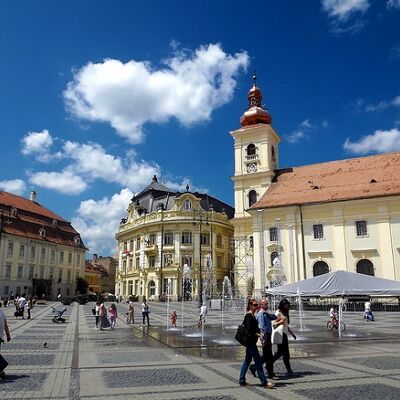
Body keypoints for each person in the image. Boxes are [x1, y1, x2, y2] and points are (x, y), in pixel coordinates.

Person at [239, 299, 275, 389]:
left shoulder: (252, 315)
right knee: (258, 362)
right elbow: (248, 331)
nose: (256, 306)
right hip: (250, 342)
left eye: (257, 305)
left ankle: (242, 380)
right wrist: (258, 334)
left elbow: (255, 328)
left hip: (251, 342)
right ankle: (264, 382)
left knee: (247, 361)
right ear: (250, 306)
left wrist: (259, 333)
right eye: (255, 305)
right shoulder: (248, 316)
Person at [249, 299, 281, 380]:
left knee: (266, 356)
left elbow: (273, 317)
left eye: (267, 303)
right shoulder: (261, 314)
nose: (268, 305)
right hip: (265, 336)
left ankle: (254, 367)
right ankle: (271, 374)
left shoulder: (265, 313)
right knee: (269, 356)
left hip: (268, 335)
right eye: (266, 304)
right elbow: (262, 327)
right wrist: (263, 339)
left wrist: (277, 312)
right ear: (261, 305)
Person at [272, 298, 297, 377]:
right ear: (282, 305)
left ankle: (289, 370)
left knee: (285, 354)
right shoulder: (278, 313)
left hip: (284, 335)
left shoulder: (284, 312)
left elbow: (286, 325)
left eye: (287, 305)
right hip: (280, 335)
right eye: (285, 305)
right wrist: (280, 322)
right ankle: (268, 364)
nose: (287, 306)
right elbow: (274, 325)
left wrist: (292, 334)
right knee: (281, 353)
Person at [0, 301, 11, 379]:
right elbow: (6, 326)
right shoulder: (2, 312)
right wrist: (8, 335)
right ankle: (1, 371)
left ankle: (1, 370)